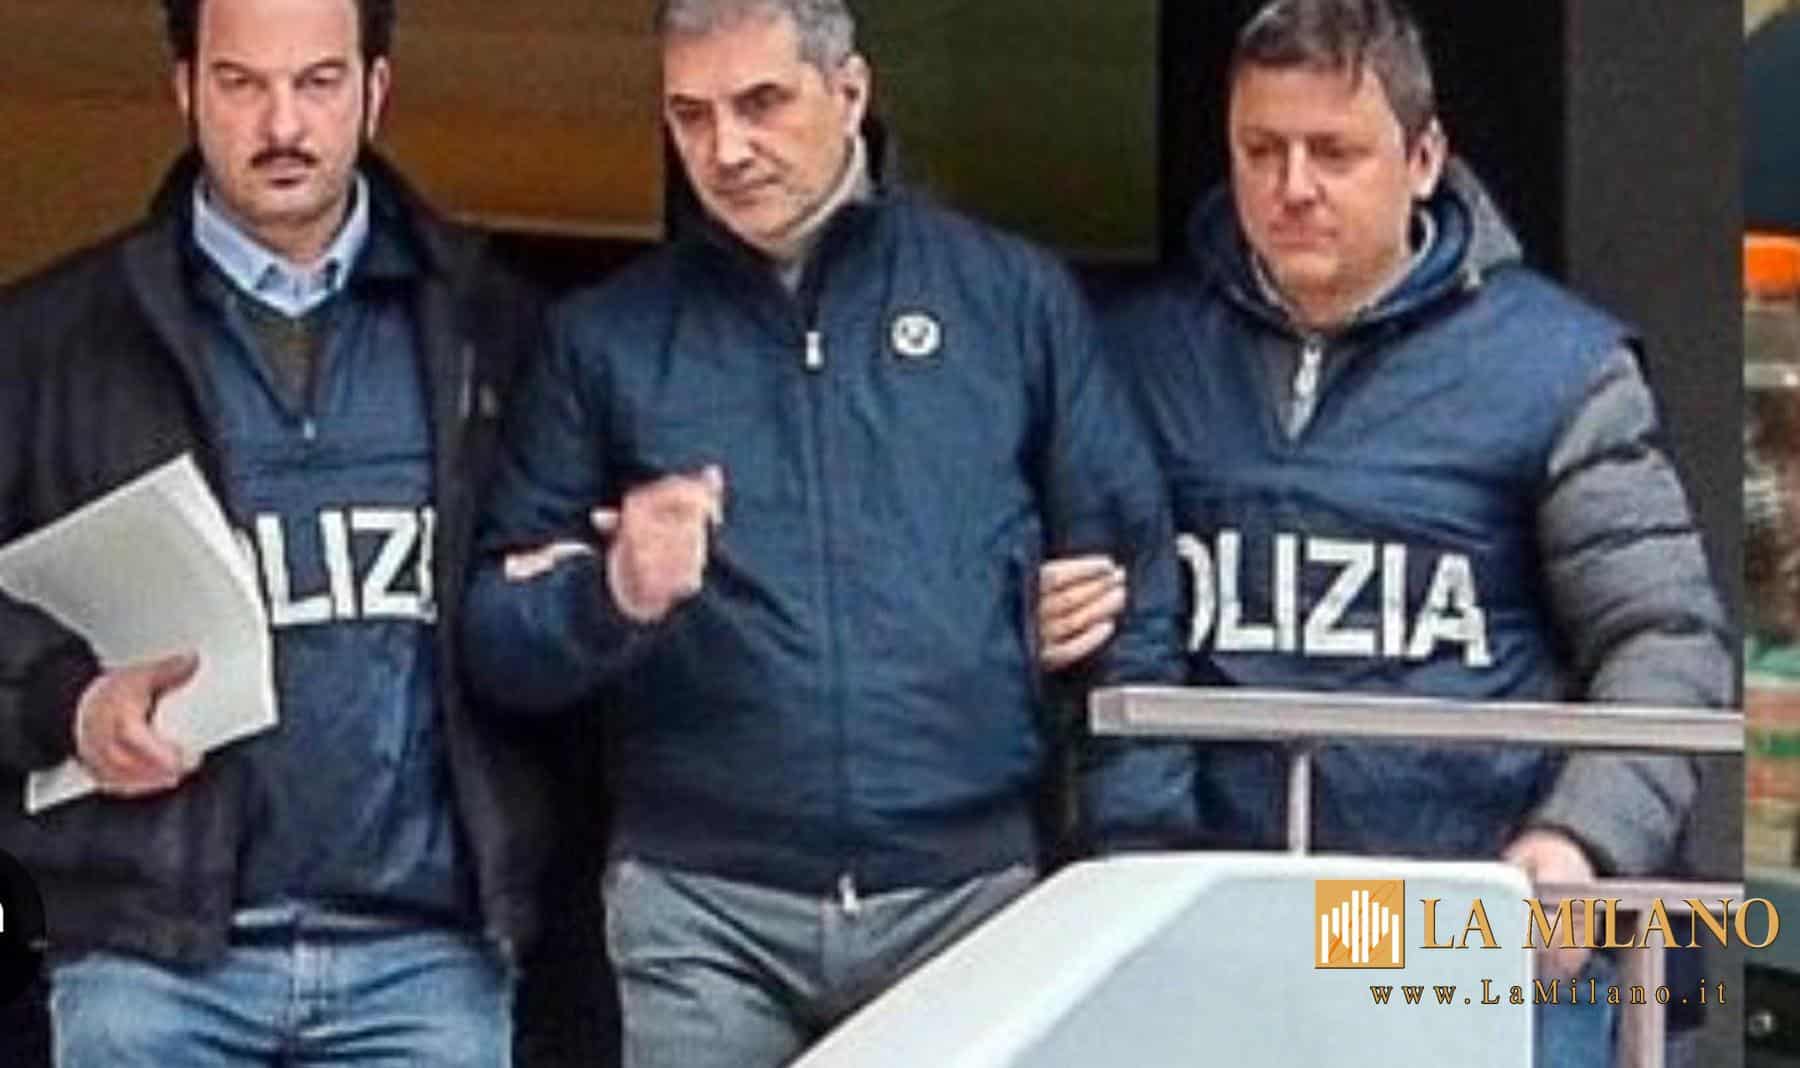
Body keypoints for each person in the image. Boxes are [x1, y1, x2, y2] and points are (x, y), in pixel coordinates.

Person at [460, 1, 1196, 1064]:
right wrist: (609, 593)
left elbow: (1133, 595)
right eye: (690, 114)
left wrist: (1134, 864)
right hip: (704, 908)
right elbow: (495, 638)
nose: (725, 148)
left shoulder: (1009, 300)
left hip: (966, 897)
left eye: (761, 102)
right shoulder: (606, 339)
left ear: (850, 92)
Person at [1035, 1, 1732, 1065]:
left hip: (1468, 934)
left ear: (1423, 158)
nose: (1293, 186)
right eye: (1261, 150)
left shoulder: (1556, 369)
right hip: (1211, 928)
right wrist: (1030, 616)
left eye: (1334, 152)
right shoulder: (1133, 359)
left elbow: (1666, 637)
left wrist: (1579, 841)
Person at [0, 0, 555, 1063]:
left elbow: (544, 625)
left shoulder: (494, 331)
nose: (283, 124)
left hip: (424, 956)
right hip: (148, 959)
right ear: (185, 90)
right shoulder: (50, 344)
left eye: (317, 81)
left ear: (375, 91)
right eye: (242, 83)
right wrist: (62, 700)